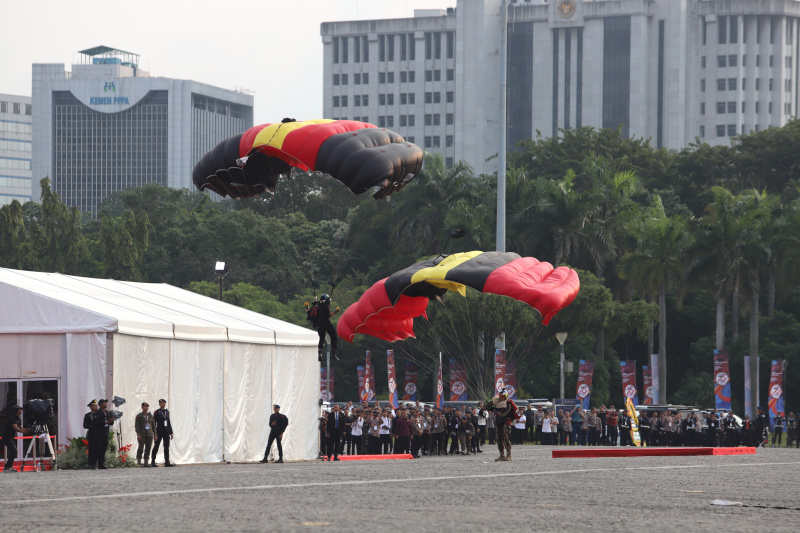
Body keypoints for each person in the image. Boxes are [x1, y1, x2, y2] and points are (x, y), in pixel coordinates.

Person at [485, 388, 518, 461]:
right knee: (498, 437)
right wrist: (488, 406)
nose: (501, 398)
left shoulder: (508, 403)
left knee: (505, 436)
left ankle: (509, 455)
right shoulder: (496, 402)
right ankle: (502, 454)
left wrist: (497, 412)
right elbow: (487, 406)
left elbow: (505, 412)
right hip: (498, 422)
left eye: (502, 396)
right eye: (500, 396)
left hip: (506, 421)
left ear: (505, 396)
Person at [307, 294, 339, 362]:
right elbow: (328, 315)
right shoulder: (325, 305)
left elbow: (309, 313)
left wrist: (307, 306)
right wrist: (335, 312)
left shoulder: (316, 305)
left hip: (319, 325)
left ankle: (320, 354)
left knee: (321, 338)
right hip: (326, 323)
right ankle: (333, 354)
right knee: (333, 336)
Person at [3, 405, 31, 473]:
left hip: (11, 437)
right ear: (16, 411)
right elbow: (15, 428)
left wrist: (28, 429)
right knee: (14, 451)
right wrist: (24, 431)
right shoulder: (13, 418)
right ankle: (7, 467)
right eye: (19, 409)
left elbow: (21, 428)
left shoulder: (18, 419)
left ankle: (9, 466)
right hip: (7, 437)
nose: (20, 411)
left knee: (14, 451)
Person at [83, 399, 108, 469]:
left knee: (101, 449)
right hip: (92, 434)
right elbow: (85, 425)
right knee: (92, 450)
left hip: (101, 434)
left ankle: (101, 464)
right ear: (91, 407)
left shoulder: (101, 413)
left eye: (96, 405)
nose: (96, 406)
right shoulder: (88, 415)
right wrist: (92, 427)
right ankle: (91, 464)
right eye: (94, 405)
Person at [151, 399, 174, 467]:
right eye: (161, 403)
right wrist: (154, 433)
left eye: (164, 403)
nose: (163, 404)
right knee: (156, 446)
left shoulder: (167, 412)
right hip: (159, 431)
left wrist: (171, 432)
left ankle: (167, 461)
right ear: (159, 404)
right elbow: (154, 423)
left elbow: (168, 422)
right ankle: (153, 461)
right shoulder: (157, 412)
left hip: (166, 431)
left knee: (166, 446)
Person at [134, 402, 155, 466]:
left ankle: (146, 461)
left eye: (147, 406)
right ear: (142, 407)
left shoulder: (151, 416)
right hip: (142, 434)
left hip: (149, 433)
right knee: (141, 447)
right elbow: (137, 426)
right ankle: (139, 460)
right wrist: (138, 434)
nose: (146, 407)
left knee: (148, 448)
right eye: (145, 406)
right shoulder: (139, 416)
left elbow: (154, 426)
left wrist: (155, 435)